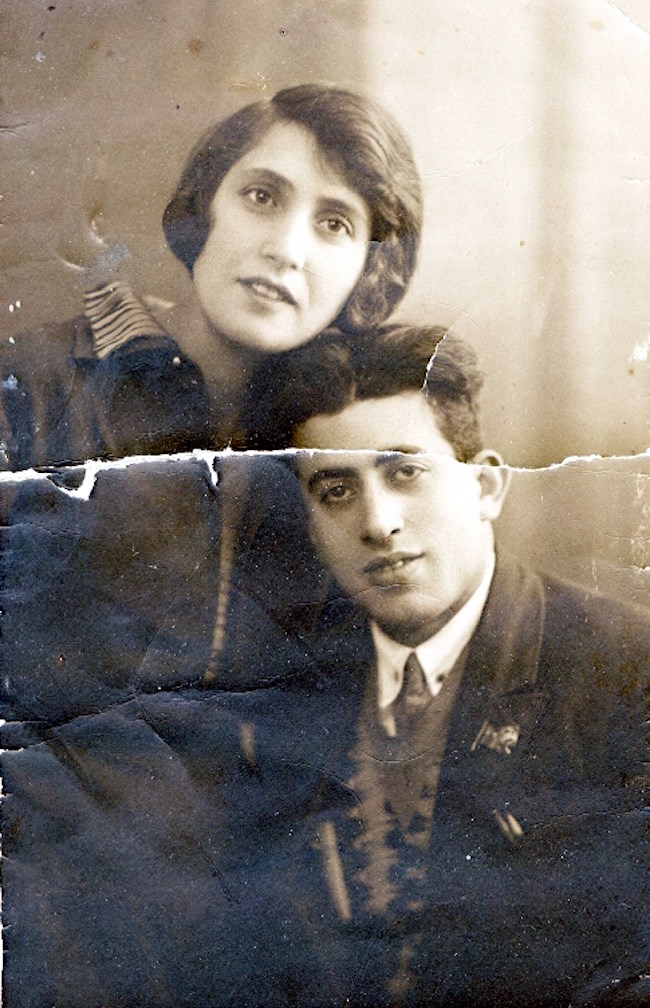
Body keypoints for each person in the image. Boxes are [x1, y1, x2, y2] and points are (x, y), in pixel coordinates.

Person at [241, 324, 649, 1007]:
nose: (378, 523)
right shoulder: (283, 685)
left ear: (486, 485)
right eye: (336, 490)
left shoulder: (629, 668)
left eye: (405, 472)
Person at [0, 84, 422, 470]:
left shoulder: (346, 434)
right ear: (203, 208)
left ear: (368, 270)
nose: (286, 251)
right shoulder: (24, 387)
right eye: (261, 197)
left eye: (334, 224)